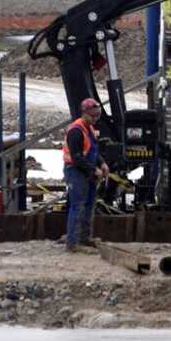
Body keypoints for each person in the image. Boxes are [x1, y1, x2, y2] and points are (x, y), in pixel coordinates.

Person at [63, 97, 108, 252]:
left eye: (97, 116)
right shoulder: (76, 131)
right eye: (93, 116)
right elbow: (77, 158)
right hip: (75, 171)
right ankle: (73, 242)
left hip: (87, 171)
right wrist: (92, 169)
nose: (95, 119)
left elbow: (94, 150)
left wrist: (102, 163)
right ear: (84, 114)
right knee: (78, 205)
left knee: (89, 205)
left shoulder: (89, 129)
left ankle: (85, 238)